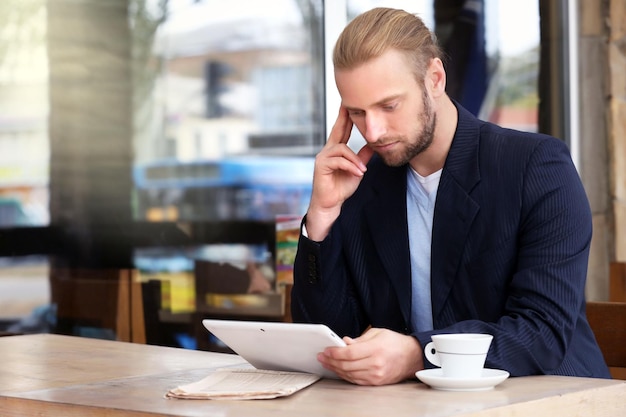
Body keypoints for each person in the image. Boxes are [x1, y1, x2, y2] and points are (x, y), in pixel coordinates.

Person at [290, 7, 611, 386]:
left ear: (435, 78)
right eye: (357, 113)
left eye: (389, 106)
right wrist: (322, 218)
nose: (373, 131)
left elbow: (541, 332)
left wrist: (417, 353)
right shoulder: (363, 184)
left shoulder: (535, 167)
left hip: (551, 398)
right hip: (426, 405)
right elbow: (331, 338)